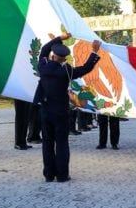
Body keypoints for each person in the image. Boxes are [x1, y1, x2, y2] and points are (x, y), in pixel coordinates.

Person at [34, 33, 101, 182]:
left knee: (47, 143)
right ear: (64, 59)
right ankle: (62, 175)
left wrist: (60, 38)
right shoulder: (66, 71)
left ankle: (49, 175)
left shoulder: (43, 66)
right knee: (62, 143)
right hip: (61, 112)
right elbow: (86, 68)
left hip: (45, 111)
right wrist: (94, 51)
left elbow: (44, 49)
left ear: (52, 56)